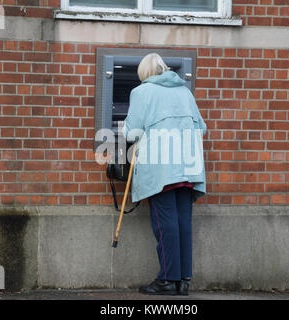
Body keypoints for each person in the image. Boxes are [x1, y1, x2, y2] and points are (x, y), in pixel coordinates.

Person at [122, 53, 206, 295]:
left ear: (144, 74)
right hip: (188, 165)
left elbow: (131, 132)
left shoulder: (142, 92)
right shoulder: (184, 92)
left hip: (161, 167)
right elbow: (202, 128)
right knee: (182, 223)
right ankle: (183, 281)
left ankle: (167, 280)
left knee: (164, 224)